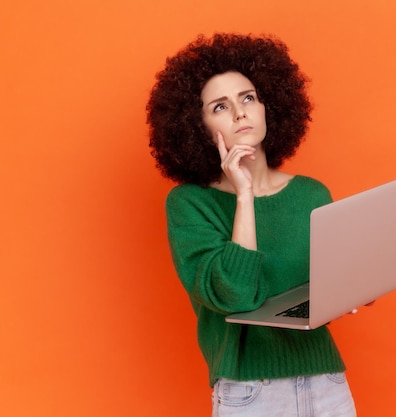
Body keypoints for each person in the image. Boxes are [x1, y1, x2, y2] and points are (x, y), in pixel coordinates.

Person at [146, 33, 357, 417]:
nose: (241, 112)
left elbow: (323, 293)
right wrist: (243, 196)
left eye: (248, 98)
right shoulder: (190, 204)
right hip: (250, 394)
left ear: (267, 106)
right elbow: (236, 296)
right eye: (220, 107)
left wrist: (354, 290)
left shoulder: (312, 195)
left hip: (327, 383)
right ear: (199, 127)